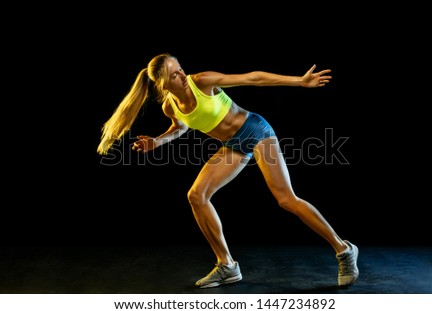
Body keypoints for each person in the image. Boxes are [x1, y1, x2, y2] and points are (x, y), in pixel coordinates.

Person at [97, 52, 359, 289]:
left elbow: (253, 78)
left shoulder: (202, 81)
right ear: (162, 83)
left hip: (257, 131)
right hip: (233, 144)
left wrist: (299, 81)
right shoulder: (170, 105)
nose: (182, 75)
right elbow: (180, 127)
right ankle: (227, 266)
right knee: (196, 196)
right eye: (174, 74)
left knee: (285, 199)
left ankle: (344, 250)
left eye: (180, 68)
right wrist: (157, 141)